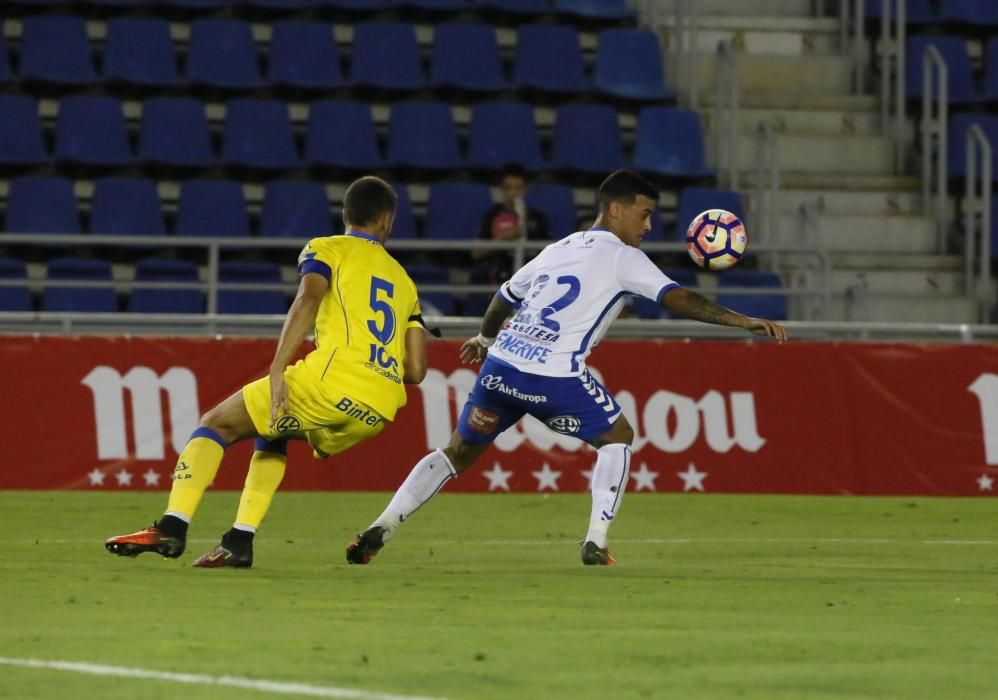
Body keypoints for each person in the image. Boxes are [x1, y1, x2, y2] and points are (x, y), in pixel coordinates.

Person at [346, 170, 788, 567]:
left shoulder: (560, 247)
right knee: (618, 436)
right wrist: (741, 320)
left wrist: (485, 339)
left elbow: (505, 295)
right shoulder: (623, 257)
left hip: (502, 365)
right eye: (644, 214)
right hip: (552, 375)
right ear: (616, 210)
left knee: (457, 451)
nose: (649, 226)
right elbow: (678, 298)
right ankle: (596, 540)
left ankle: (381, 526)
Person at [106, 176, 430, 568]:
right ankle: (239, 541)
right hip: (378, 407)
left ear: (345, 215)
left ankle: (171, 527)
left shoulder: (327, 248)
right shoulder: (404, 281)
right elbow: (415, 370)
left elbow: (308, 298)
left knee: (215, 424)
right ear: (387, 221)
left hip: (331, 381)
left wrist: (278, 368)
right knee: (274, 431)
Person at [474, 162, 550, 286]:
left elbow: (548, 252)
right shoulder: (492, 215)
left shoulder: (538, 218)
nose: (513, 193)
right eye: (508, 188)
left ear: (526, 189)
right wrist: (504, 239)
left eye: (518, 188)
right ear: (502, 190)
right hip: (500, 281)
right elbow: (476, 253)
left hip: (532, 282)